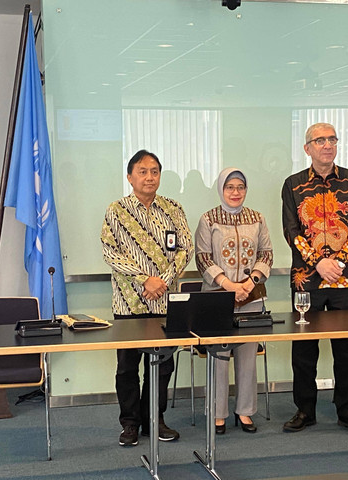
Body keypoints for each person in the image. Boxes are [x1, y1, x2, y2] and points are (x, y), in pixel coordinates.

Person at [281, 122, 348, 435]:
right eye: (320, 140)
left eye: (332, 138)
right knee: (304, 349)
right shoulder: (292, 184)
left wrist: (339, 262)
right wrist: (318, 263)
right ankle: (305, 410)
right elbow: (291, 231)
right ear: (307, 148)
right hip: (308, 279)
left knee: (346, 349)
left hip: (346, 281)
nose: (327, 144)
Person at [101, 149, 194, 447]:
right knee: (128, 367)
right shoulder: (116, 210)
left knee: (163, 366)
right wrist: (145, 280)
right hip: (129, 302)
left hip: (165, 303)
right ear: (130, 177)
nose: (149, 177)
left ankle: (155, 419)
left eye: (154, 171)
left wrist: (163, 282)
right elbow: (110, 252)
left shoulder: (173, 208)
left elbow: (185, 249)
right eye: (142, 171)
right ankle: (130, 423)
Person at [195, 167, 273, 435]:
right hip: (217, 298)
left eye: (240, 187)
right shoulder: (208, 219)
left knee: (247, 356)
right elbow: (203, 257)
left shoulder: (258, 218)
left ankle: (245, 412)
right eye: (230, 187)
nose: (235, 192)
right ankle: (217, 414)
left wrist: (249, 283)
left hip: (251, 298)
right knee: (218, 357)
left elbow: (267, 254)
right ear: (221, 189)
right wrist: (229, 286)